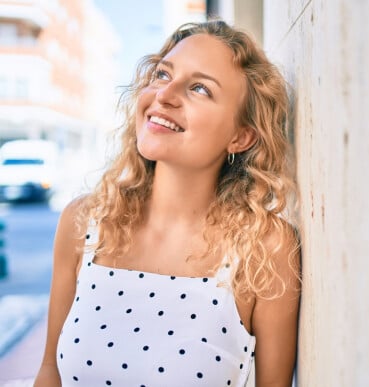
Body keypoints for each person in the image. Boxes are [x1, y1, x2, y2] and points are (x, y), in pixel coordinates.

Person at [34, 20, 301, 387]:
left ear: (241, 136)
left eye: (199, 88)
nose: (165, 94)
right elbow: (50, 372)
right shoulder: (83, 223)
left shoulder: (263, 247)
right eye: (162, 74)